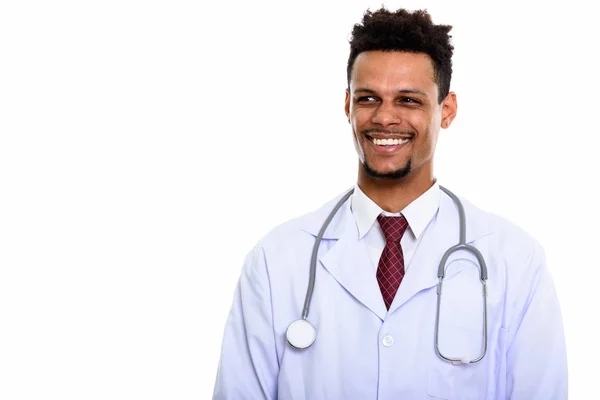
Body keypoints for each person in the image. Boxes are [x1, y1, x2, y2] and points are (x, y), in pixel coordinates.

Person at [212, 7, 567, 399]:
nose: (385, 117)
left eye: (408, 101)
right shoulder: (276, 261)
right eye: (368, 98)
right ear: (347, 105)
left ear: (445, 110)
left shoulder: (514, 260)